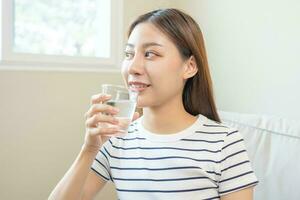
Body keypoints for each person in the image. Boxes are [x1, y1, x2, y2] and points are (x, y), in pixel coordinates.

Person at [49, 8, 258, 200]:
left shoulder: (224, 143)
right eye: (129, 54)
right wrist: (89, 149)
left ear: (190, 67)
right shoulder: (116, 141)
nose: (133, 67)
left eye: (150, 54)